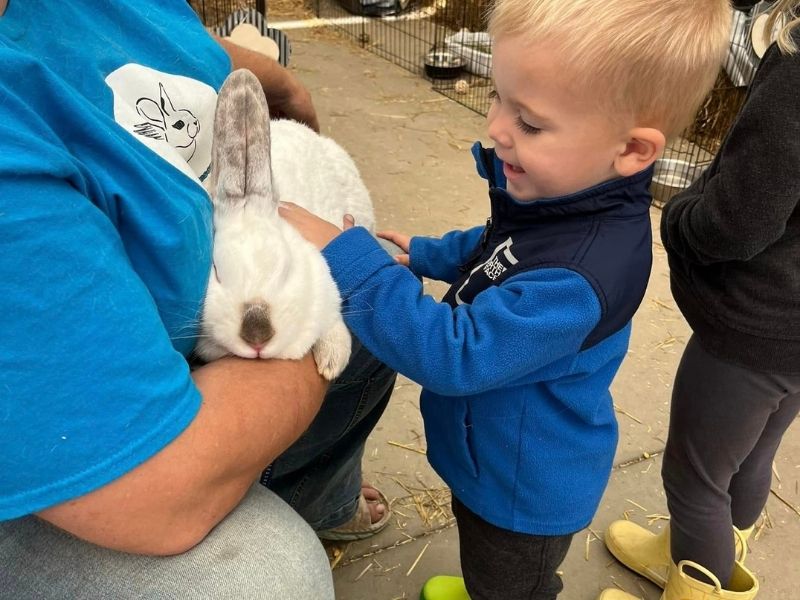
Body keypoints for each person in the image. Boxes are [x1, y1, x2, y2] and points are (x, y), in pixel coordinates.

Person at [278, 1, 732, 598]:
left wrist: (354, 264)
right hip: (490, 459)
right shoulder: (569, 200)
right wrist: (431, 254)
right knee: (484, 564)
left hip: (524, 487)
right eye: (499, 98)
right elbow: (503, 246)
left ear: (632, 150)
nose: (495, 127)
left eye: (530, 122)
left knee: (511, 582)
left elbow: (455, 354)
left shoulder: (577, 279)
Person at [0, 1, 395, 598]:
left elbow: (165, 35)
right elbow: (157, 491)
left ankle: (323, 497)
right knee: (262, 577)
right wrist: (324, 306)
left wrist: (275, 78)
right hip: (93, 449)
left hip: (234, 267)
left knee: (391, 326)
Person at [600, 1, 800, 599]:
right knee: (752, 449)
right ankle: (697, 552)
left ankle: (699, 582)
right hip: (793, 337)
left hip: (754, 328)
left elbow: (738, 222)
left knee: (695, 476)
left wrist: (681, 217)